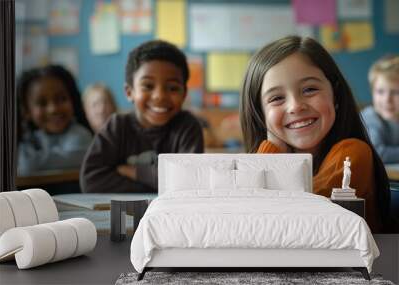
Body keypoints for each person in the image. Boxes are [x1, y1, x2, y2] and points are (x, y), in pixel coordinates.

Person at [240, 35, 397, 233]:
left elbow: (304, 217)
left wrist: (274, 155)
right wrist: (274, 151)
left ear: (336, 95)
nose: (295, 106)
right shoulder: (269, 156)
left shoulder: (353, 155)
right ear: (260, 114)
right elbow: (248, 218)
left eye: (310, 89)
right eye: (277, 98)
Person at [80, 40, 204, 193]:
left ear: (184, 94)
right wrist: (157, 185)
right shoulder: (117, 126)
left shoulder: (187, 127)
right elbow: (91, 181)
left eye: (172, 88)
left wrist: (135, 172)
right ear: (129, 92)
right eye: (148, 86)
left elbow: (188, 183)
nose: (159, 96)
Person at [16, 65, 93, 176]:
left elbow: (27, 165)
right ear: (26, 111)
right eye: (42, 103)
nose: (53, 109)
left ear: (73, 101)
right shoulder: (30, 138)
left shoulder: (80, 135)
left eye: (61, 99)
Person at [361, 55, 399, 164]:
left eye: (395, 92)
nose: (387, 99)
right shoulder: (370, 118)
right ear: (372, 92)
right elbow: (377, 153)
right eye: (380, 92)